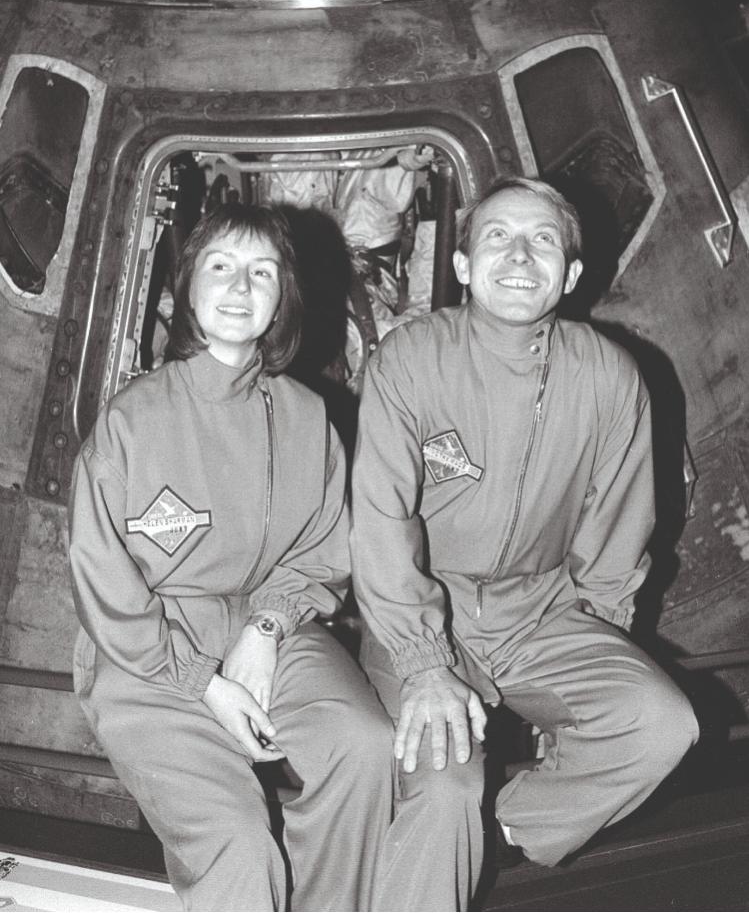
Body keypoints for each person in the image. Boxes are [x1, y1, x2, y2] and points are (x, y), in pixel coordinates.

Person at [351, 176, 699, 911]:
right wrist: (422, 664)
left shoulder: (609, 376)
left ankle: (498, 825)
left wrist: (593, 657)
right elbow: (378, 523)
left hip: (541, 616)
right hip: (425, 612)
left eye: (542, 240)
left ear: (569, 275)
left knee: (660, 721)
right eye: (497, 236)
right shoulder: (407, 363)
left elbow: (616, 531)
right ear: (463, 266)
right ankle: (445, 830)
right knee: (445, 782)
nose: (519, 254)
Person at [68, 202, 394, 912]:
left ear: (283, 299)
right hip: (146, 651)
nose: (240, 286)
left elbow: (319, 546)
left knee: (364, 747)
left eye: (262, 272)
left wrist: (268, 628)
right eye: (221, 266)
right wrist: (204, 682)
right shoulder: (131, 421)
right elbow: (103, 583)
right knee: (238, 837)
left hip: (265, 627)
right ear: (187, 289)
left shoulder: (310, 416)